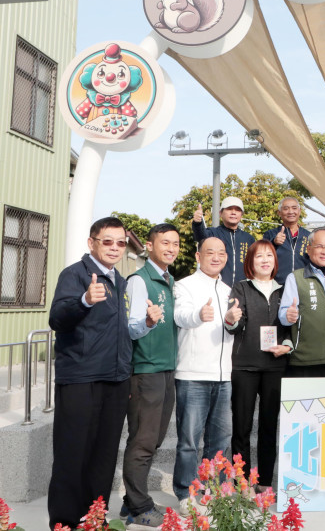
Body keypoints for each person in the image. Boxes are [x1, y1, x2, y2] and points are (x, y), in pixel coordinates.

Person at [47, 217, 132, 529]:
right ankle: (65, 523)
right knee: (72, 455)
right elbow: (57, 317)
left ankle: (94, 519)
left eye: (120, 242)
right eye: (107, 241)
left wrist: (127, 372)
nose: (114, 248)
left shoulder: (120, 281)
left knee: (104, 457)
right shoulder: (75, 275)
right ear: (91, 242)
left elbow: (121, 332)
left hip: (116, 379)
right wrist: (84, 300)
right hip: (80, 378)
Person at [172, 237, 239, 513]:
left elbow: (230, 329)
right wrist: (199, 314)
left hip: (223, 376)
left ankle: (213, 490)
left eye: (221, 253)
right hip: (192, 374)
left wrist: (232, 322)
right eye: (209, 252)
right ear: (198, 256)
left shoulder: (227, 289)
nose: (216, 257)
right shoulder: (183, 284)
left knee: (220, 440)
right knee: (189, 440)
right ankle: (185, 494)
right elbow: (180, 316)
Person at [122, 223, 180, 526]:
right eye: (164, 243)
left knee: (154, 439)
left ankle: (130, 500)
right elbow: (131, 328)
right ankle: (139, 506)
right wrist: (147, 320)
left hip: (166, 369)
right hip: (145, 371)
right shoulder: (139, 280)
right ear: (149, 245)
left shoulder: (168, 280)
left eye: (175, 243)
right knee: (143, 441)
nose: (170, 248)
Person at [227, 240, 292, 493]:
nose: (264, 260)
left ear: (275, 261)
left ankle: (264, 482)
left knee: (268, 426)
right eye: (258, 257)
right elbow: (235, 325)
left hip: (275, 366)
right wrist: (231, 319)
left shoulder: (285, 290)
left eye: (269, 255)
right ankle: (242, 481)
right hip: (244, 366)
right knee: (241, 426)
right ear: (250, 262)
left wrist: (287, 344)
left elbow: (289, 327)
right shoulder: (241, 288)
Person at [278, 228, 325, 377]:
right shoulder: (296, 277)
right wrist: (288, 315)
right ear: (309, 249)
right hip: (303, 361)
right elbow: (284, 315)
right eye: (319, 246)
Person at [192, 197, 256, 287]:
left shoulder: (249, 238)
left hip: (242, 290)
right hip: (216, 287)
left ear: (241, 214)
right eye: (229, 209)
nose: (233, 212)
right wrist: (198, 223)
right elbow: (200, 236)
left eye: (237, 210)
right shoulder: (213, 233)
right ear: (220, 213)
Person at [263, 197, 311, 284]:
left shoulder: (308, 236)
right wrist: (274, 243)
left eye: (294, 208)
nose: (290, 212)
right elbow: (261, 256)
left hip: (303, 285)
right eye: (286, 208)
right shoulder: (270, 234)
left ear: (299, 211)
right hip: (277, 286)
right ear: (279, 213)